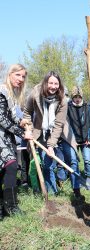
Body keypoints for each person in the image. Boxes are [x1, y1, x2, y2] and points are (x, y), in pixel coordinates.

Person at [23, 71, 81, 197]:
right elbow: (27, 112)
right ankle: (52, 194)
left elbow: (59, 124)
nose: (53, 86)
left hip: (62, 132)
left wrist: (51, 145)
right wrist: (28, 129)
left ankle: (77, 190)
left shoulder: (63, 99)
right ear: (45, 83)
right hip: (42, 133)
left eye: (56, 83)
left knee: (72, 160)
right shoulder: (35, 94)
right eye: (51, 83)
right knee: (47, 165)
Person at [0, 64, 33, 219]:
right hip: (1, 137)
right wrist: (21, 133)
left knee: (6, 170)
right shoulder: (2, 91)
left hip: (6, 137)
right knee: (12, 166)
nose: (21, 79)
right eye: (18, 75)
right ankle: (11, 207)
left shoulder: (12, 95)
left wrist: (22, 121)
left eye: (23, 76)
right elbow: (1, 119)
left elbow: (12, 116)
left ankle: (4, 208)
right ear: (10, 74)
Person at [67, 86, 90, 190]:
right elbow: (67, 125)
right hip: (73, 140)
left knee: (87, 160)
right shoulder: (68, 108)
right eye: (75, 97)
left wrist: (89, 138)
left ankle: (89, 180)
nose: (77, 99)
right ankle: (77, 182)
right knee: (74, 161)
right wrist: (72, 139)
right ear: (72, 97)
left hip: (85, 139)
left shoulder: (87, 107)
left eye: (79, 97)